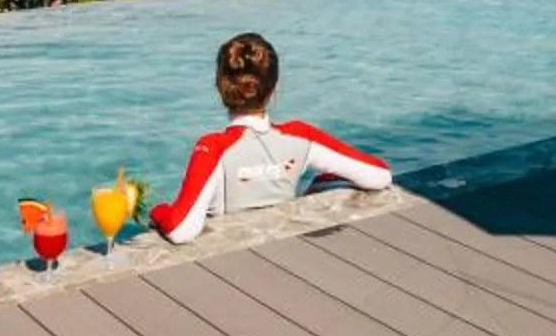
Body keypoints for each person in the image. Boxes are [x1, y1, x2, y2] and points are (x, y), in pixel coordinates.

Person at [150, 32, 390, 246]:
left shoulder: (213, 148)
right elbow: (379, 176)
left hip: (226, 266)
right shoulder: (300, 136)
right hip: (285, 255)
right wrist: (323, 180)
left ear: (219, 87)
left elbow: (182, 230)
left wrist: (158, 210)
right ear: (275, 88)